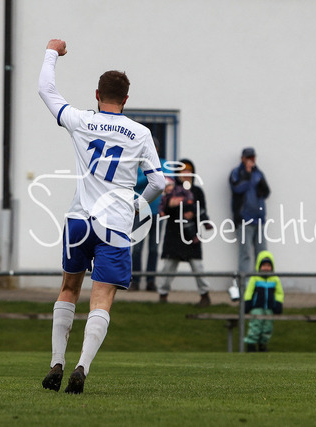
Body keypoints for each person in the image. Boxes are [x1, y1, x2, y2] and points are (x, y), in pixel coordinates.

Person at [38, 39, 164, 394]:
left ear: (97, 94)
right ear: (126, 99)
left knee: (68, 288)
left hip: (79, 220)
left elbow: (46, 90)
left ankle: (56, 362)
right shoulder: (140, 133)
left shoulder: (81, 120)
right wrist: (138, 205)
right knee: (102, 297)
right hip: (115, 225)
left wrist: (52, 51)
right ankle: (82, 366)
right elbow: (159, 181)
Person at [158, 159, 212, 307]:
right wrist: (171, 205)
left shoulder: (197, 191)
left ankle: (205, 295)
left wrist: (194, 215)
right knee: (169, 266)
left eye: (189, 171)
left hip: (191, 235)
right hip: (174, 234)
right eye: (183, 171)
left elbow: (202, 210)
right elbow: (164, 210)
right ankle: (162, 295)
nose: (186, 174)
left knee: (197, 266)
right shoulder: (171, 190)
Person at [229, 147, 270, 284]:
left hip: (259, 220)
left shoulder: (258, 173)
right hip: (244, 220)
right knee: (245, 253)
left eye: (253, 158)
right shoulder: (237, 172)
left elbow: (266, 193)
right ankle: (244, 284)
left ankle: (262, 282)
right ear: (243, 159)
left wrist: (262, 188)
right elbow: (237, 188)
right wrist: (247, 175)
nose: (251, 160)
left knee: (262, 252)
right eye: (248, 158)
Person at [130, 138, 166, 292]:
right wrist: (151, 175)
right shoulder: (137, 164)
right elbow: (135, 183)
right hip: (141, 211)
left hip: (158, 211)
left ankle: (151, 281)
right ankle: (135, 280)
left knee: (154, 248)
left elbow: (167, 182)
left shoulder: (163, 163)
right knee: (137, 248)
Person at [243, 251, 284, 352]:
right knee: (255, 325)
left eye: (268, 266)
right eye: (264, 265)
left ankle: (263, 344)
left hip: (269, 308)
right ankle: (251, 344)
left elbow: (279, 293)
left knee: (267, 327)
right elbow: (249, 291)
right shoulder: (254, 278)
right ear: (259, 266)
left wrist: (278, 304)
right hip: (257, 307)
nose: (266, 268)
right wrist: (247, 303)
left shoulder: (275, 279)